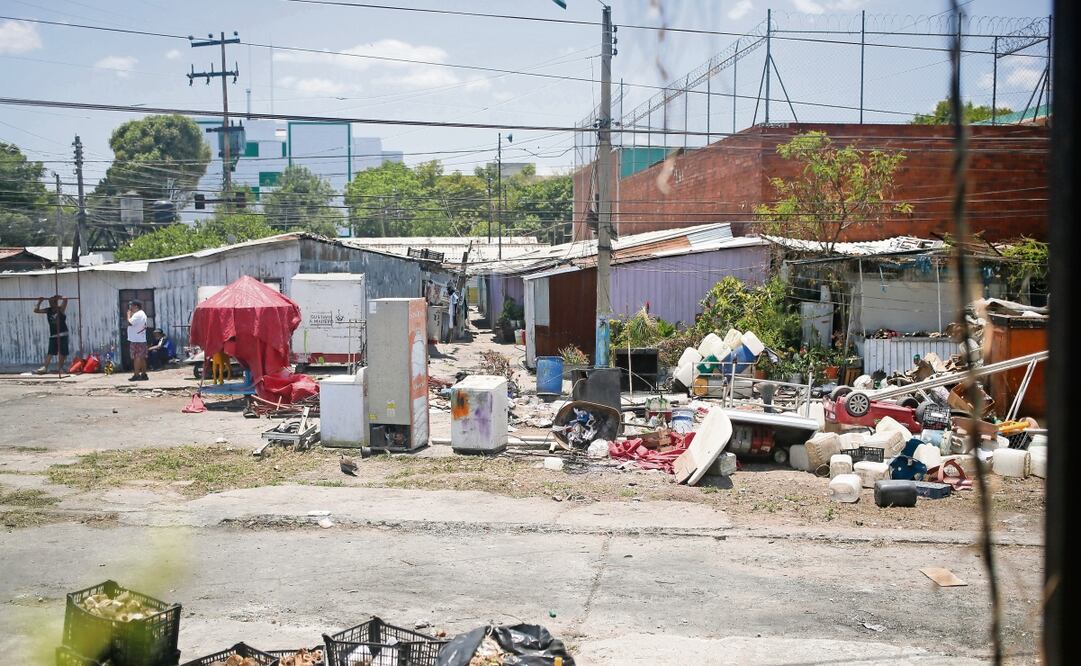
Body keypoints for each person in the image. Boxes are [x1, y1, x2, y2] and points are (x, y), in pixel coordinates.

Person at [32, 295, 68, 375]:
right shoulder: (48, 310)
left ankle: (60, 368)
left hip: (62, 334)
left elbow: (65, 300)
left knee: (62, 352)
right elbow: (36, 310)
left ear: (55, 302)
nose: (51, 304)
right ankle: (44, 367)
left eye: (52, 302)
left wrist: (61, 297)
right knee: (50, 352)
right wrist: (39, 302)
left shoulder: (60, 309)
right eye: (50, 302)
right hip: (53, 335)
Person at [126, 299, 149, 381]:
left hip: (136, 340)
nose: (130, 308)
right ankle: (144, 374)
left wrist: (128, 315)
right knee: (141, 357)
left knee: (137, 357)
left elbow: (130, 322)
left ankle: (136, 375)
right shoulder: (142, 314)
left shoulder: (138, 314)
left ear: (135, 306)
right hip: (140, 339)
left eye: (131, 306)